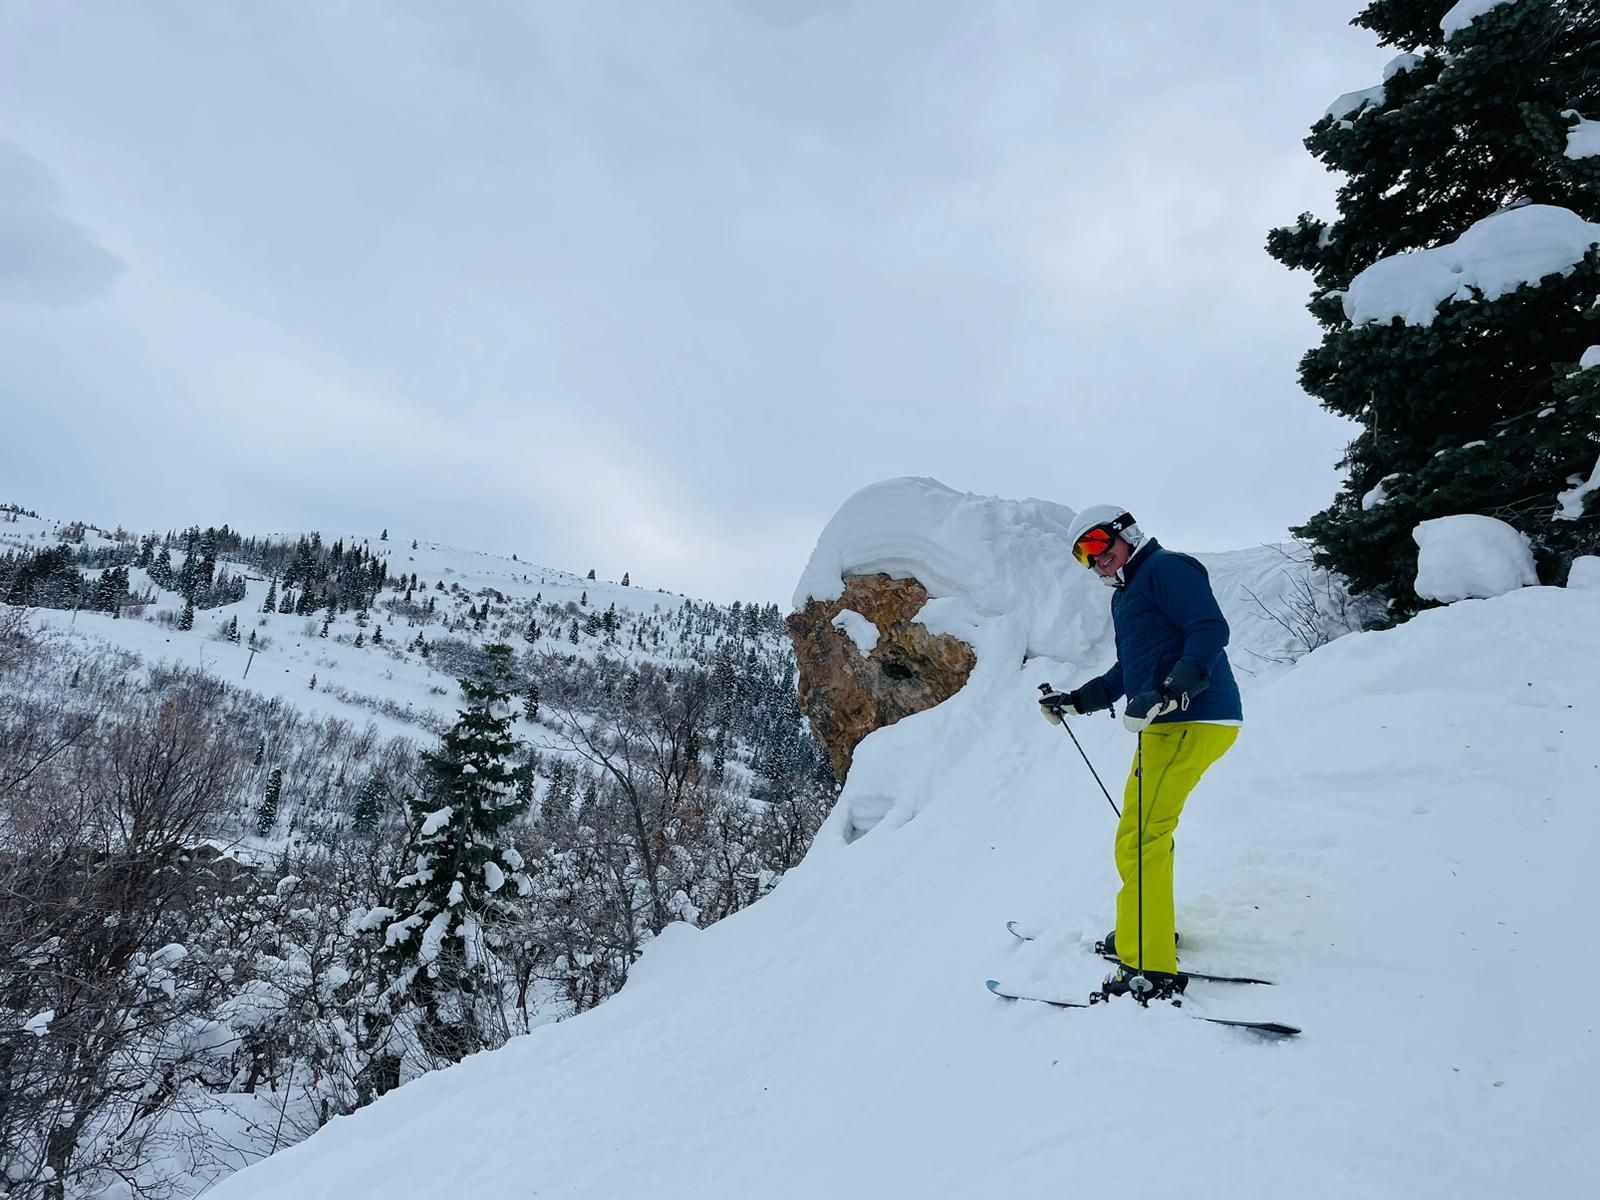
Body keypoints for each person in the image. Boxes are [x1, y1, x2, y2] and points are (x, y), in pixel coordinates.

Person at [1038, 505, 1242, 1001]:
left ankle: (1148, 966)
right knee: (1139, 834)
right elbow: (1130, 670)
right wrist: (1077, 700)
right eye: (1083, 557)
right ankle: (1142, 931)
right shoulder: (1128, 595)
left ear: (1125, 533)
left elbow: (1210, 630)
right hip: (1164, 724)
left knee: (1141, 839)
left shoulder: (1166, 568)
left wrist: (1175, 688)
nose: (1095, 562)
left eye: (1097, 546)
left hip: (1190, 718)